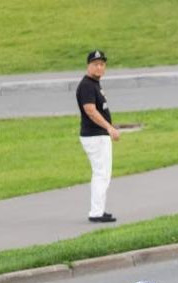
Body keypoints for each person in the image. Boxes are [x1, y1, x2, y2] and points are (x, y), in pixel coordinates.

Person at [77, 49, 120, 223]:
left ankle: (99, 209)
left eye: (102, 64)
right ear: (89, 66)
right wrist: (109, 128)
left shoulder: (94, 83)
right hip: (95, 135)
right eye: (96, 64)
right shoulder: (87, 85)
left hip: (97, 135)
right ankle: (96, 212)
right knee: (101, 173)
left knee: (103, 173)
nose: (99, 67)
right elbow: (90, 110)